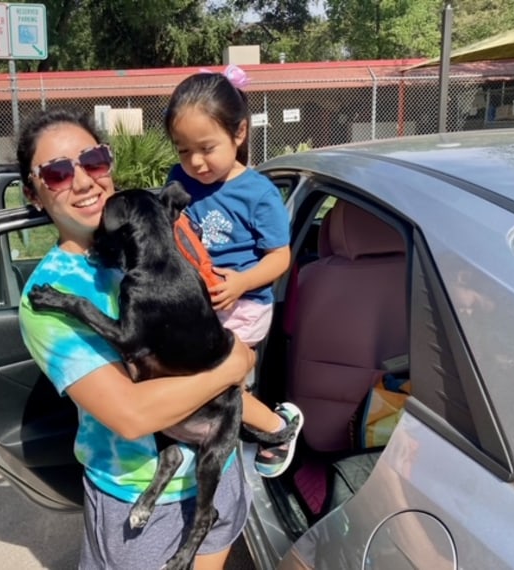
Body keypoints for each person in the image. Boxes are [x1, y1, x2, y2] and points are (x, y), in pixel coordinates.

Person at [16, 107, 259, 570]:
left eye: (93, 160)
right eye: (58, 172)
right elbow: (132, 416)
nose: (84, 181)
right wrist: (234, 365)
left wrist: (264, 420)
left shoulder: (150, 239)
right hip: (141, 496)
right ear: (34, 194)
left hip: (217, 469)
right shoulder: (50, 297)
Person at [165, 66, 304, 478]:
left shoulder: (257, 192)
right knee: (204, 381)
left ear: (239, 134)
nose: (195, 162)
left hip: (245, 304)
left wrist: (241, 281)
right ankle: (225, 431)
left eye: (206, 147)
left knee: (218, 384)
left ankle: (280, 429)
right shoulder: (180, 180)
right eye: (182, 150)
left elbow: (280, 257)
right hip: (200, 304)